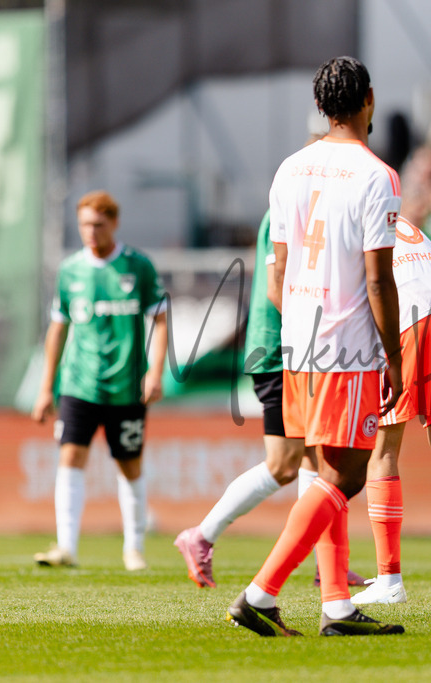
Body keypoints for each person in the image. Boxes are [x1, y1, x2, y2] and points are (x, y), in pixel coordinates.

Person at [225, 56, 405, 637]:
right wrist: (394, 356)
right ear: (368, 100)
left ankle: (336, 607)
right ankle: (261, 592)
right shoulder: (376, 175)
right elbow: (378, 278)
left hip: (297, 343)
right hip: (346, 345)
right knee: (346, 476)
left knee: (322, 470)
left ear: (322, 106)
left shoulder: (289, 170)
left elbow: (276, 273)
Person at [173, 209, 366, 589]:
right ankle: (201, 536)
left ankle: (326, 564)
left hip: (289, 346)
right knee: (285, 463)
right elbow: (281, 285)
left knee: (318, 455)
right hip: (281, 349)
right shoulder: (293, 208)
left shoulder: (292, 205)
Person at [350, 216, 431, 606]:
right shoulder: (398, 219)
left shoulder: (347, 222)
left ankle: (390, 580)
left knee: (383, 451)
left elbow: (366, 290)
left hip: (409, 319)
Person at [31, 190, 168, 571]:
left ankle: (134, 548)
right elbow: (57, 330)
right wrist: (46, 387)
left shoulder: (138, 266)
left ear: (114, 223)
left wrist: (155, 374)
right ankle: (66, 547)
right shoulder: (70, 270)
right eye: (85, 225)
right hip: (79, 384)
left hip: (126, 385)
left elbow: (160, 320)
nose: (90, 232)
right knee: (70, 455)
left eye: (98, 224)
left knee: (129, 464)